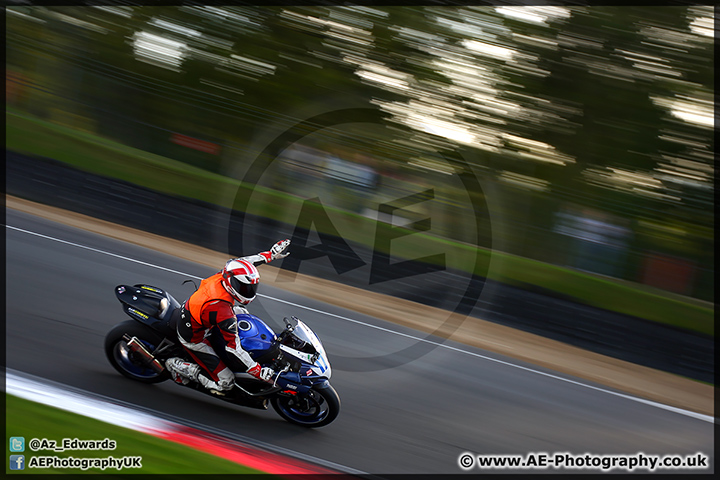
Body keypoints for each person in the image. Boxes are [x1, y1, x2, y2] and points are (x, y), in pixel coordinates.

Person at [165, 239, 291, 395]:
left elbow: (246, 262)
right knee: (226, 382)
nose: (248, 291)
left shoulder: (226, 273)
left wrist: (270, 255)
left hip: (199, 312)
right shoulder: (223, 310)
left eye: (251, 287)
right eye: (244, 287)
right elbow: (234, 348)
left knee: (243, 313)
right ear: (232, 283)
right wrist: (258, 371)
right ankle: (180, 368)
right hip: (194, 337)